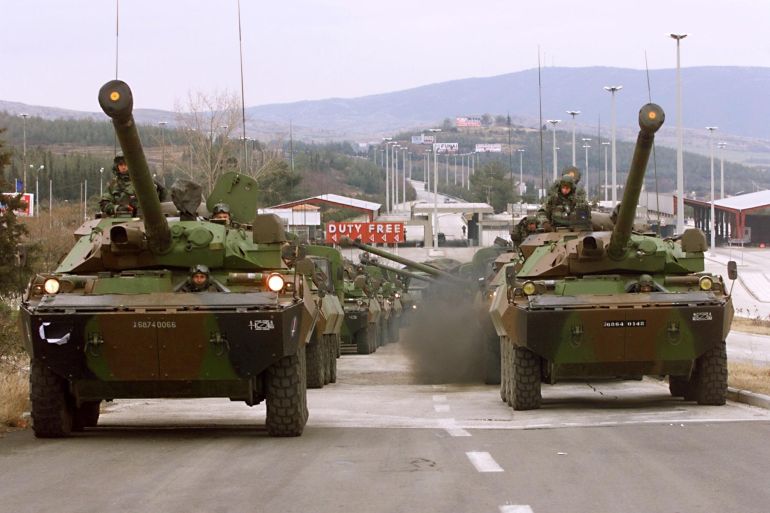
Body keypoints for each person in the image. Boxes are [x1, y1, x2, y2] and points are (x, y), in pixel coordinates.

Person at [99, 155, 168, 217]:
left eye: (126, 164)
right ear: (117, 166)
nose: (123, 167)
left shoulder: (144, 180)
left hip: (144, 217)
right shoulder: (113, 184)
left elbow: (162, 191)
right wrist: (118, 208)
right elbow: (104, 204)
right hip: (121, 218)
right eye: (120, 165)